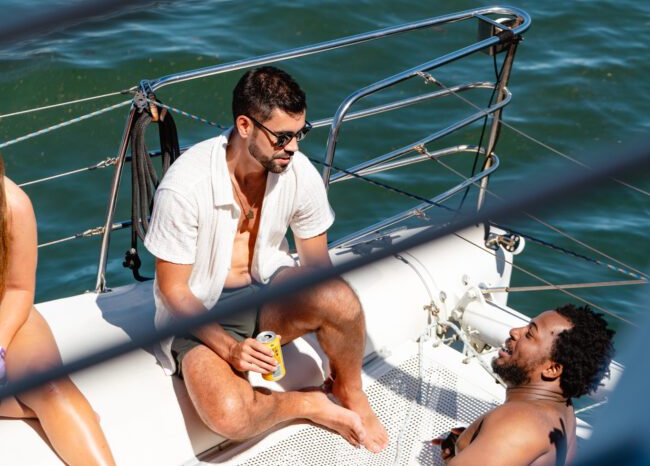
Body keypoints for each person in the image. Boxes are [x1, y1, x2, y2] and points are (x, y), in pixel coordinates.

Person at [145, 66, 388, 453]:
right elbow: (174, 291)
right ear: (245, 125)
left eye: (300, 134)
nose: (292, 147)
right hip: (199, 316)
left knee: (337, 295)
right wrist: (229, 349)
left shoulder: (297, 171)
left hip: (265, 295)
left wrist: (325, 311)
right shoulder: (184, 187)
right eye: (282, 137)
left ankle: (348, 387)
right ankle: (307, 403)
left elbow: (317, 269)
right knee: (230, 416)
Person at [0, 156, 115, 465]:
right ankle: (34, 410)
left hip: (5, 313)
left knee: (52, 389)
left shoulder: (12, 204)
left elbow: (18, 289)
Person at [433, 304, 615, 465]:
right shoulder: (564, 414)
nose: (514, 331)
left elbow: (518, 431)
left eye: (529, 334)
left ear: (552, 369)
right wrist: (474, 447)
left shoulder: (520, 422)